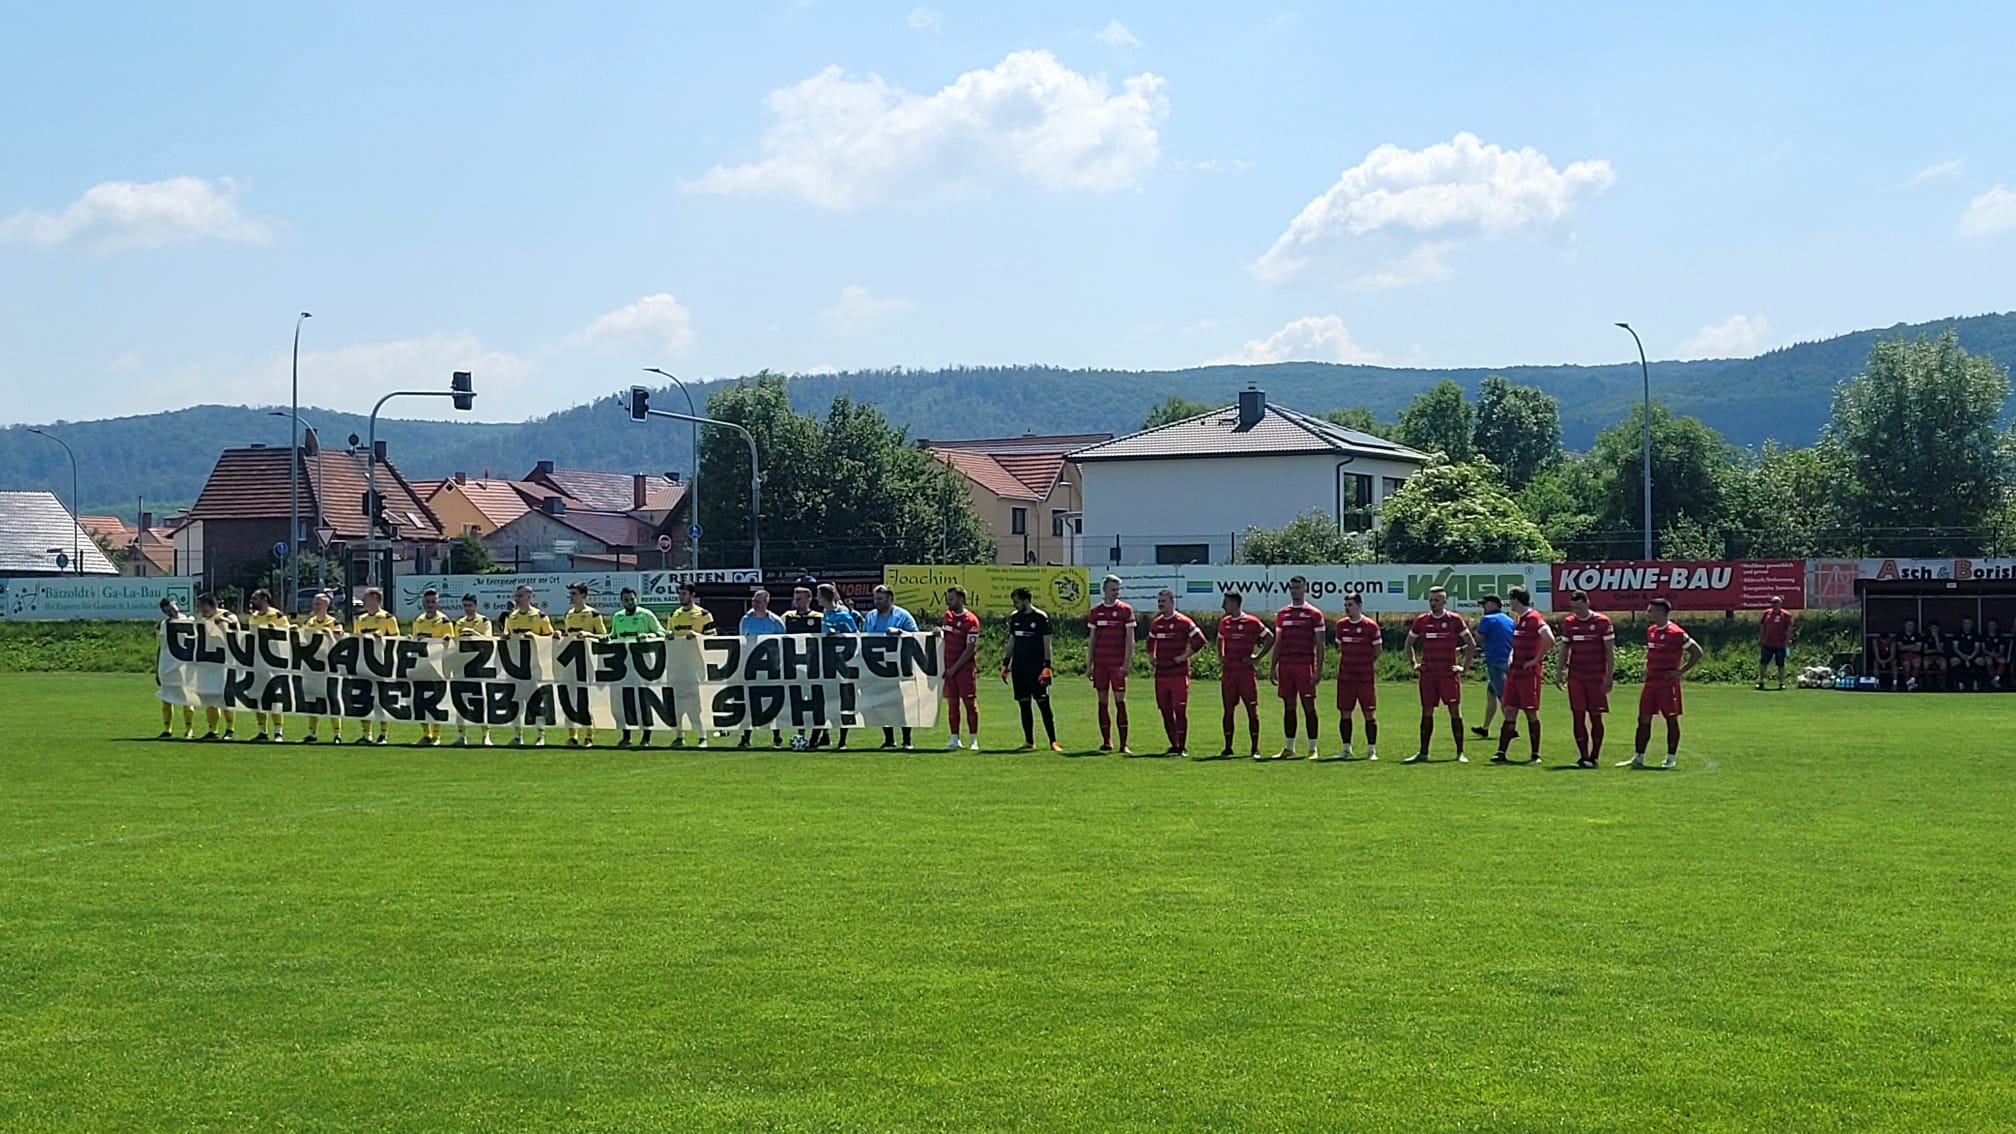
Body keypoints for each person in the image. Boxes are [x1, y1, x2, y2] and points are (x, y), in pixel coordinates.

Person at [1627, 597, 1704, 769]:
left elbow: (1697, 652)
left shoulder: (1676, 633)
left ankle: (1670, 758)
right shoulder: (1651, 630)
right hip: (1650, 682)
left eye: (1650, 611)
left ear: (1661, 613)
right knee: (1643, 718)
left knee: (1671, 719)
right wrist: (1646, 664)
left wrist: (1681, 671)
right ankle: (1638, 757)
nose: (1647, 613)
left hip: (1667, 684)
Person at [1402, 586, 1475, 764]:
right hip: (1428, 675)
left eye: (1437, 600)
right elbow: (1408, 644)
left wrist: (1463, 668)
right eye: (1431, 600)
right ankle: (1423, 752)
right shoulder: (1422, 620)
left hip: (1448, 674)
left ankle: (1460, 753)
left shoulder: (1454, 620)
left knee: (1454, 711)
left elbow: (1471, 644)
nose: (1433, 603)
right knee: (1427, 711)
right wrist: (1414, 664)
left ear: (1444, 602)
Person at [1492, 586, 1555, 765]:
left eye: (1510, 599)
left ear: (1516, 599)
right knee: (1510, 710)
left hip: (1528, 674)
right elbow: (1516, 643)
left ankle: (1535, 754)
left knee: (1530, 712)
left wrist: (1536, 660)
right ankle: (1501, 752)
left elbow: (1549, 638)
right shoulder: (1519, 620)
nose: (1509, 603)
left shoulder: (1534, 617)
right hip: (1515, 672)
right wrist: (1512, 655)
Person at [1556, 590, 1616, 769]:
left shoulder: (1602, 622)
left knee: (1596, 716)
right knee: (1578, 715)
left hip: (1596, 676)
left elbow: (1609, 651)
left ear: (1587, 603)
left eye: (1580, 607)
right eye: (1574, 608)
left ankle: (1594, 755)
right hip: (1576, 676)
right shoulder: (1569, 622)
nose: (1577, 611)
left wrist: (1609, 676)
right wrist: (1559, 671)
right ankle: (1583, 756)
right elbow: (1564, 648)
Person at [1269, 575, 1326, 760]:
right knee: (1289, 706)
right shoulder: (1283, 614)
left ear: (1305, 589)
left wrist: (1318, 669)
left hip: (1305, 665)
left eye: (1298, 588)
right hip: (1286, 665)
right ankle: (1289, 747)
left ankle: (1312, 748)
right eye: (1292, 588)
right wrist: (1273, 666)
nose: (1295, 591)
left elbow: (1320, 644)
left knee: (1309, 706)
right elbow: (1278, 642)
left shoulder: (1314, 614)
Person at [1212, 591, 1274, 759]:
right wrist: (1220, 655)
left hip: (1246, 673)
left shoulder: (1252, 622)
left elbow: (1270, 637)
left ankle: (1255, 748)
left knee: (1251, 710)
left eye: (1226, 602)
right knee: (1228, 710)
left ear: (1234, 603)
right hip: (1229, 673)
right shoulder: (1224, 622)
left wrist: (1258, 658)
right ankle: (1228, 747)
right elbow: (1219, 639)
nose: (1223, 606)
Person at [1146, 589, 1206, 757]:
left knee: (1179, 710)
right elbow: (1150, 641)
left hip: (1178, 673)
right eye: (1159, 602)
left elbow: (1200, 639)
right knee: (1165, 710)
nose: (1160, 604)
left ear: (1172, 602)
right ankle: (1173, 744)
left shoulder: (1183, 621)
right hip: (1161, 674)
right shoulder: (1157, 623)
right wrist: (1151, 656)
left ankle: (1182, 746)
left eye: (1163, 601)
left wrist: (1185, 656)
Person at [1001, 586, 1060, 752]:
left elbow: (1047, 643)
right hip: (1019, 668)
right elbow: (1012, 641)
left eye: (1017, 602)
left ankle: (1053, 741)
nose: (1015, 605)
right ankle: (1029, 741)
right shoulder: (1015, 618)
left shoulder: (1040, 618)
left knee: (1044, 705)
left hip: (1036, 668)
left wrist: (1047, 666)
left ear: (1026, 600)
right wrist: (1006, 663)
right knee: (1024, 705)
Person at [862, 584, 919, 749]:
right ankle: (889, 739)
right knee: (881, 704)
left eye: (880, 599)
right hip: (878, 668)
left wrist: (900, 632)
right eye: (875, 599)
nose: (877, 602)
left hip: (899, 667)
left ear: (890, 599)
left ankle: (907, 739)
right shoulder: (871, 616)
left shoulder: (903, 616)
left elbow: (917, 637)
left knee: (901, 704)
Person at [609, 586, 666, 748]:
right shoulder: (617, 617)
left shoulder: (646, 615)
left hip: (644, 667)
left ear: (637, 599)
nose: (629, 602)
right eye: (626, 600)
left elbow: (662, 633)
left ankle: (646, 736)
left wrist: (648, 636)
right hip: (624, 668)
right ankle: (626, 736)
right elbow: (614, 636)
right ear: (622, 601)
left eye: (632, 599)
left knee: (644, 701)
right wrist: (607, 639)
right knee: (625, 701)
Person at [1086, 574, 1136, 754]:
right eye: (1113, 589)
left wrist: (1126, 663)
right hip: (1101, 663)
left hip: (1117, 664)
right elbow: (1092, 640)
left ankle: (1124, 744)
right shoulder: (1096, 611)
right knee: (1102, 701)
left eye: (1118, 589)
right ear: (1105, 590)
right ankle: (1107, 742)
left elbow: (1130, 640)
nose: (1116, 593)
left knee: (1120, 701)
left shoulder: (1125, 610)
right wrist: (1089, 664)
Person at [501, 584, 556, 746]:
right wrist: (505, 637)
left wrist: (535, 637)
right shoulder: (512, 617)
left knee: (536, 702)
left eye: (520, 596)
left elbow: (552, 638)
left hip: (535, 666)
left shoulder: (540, 616)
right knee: (516, 701)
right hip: (515, 666)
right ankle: (518, 735)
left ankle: (540, 735)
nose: (516, 599)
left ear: (529, 597)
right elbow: (507, 634)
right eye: (516, 596)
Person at [665, 582, 717, 747]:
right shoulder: (674, 615)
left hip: (695, 666)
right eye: (680, 594)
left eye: (684, 594)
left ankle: (702, 737)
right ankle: (679, 736)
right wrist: (669, 636)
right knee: (677, 703)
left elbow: (713, 638)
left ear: (692, 595)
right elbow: (670, 633)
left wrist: (697, 636)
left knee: (697, 704)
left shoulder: (703, 614)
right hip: (678, 666)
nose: (681, 597)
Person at [1330, 593, 1381, 762]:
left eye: (1350, 605)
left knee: (1369, 713)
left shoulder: (1370, 626)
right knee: (1345, 712)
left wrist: (1364, 664)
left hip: (1365, 677)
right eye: (1345, 605)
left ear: (1359, 605)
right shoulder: (1341, 626)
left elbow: (1377, 651)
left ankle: (1371, 750)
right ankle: (1346, 749)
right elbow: (1340, 648)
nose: (1347, 608)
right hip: (1346, 677)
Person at [739, 589, 789, 749]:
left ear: (766, 603)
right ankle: (745, 737)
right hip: (751, 668)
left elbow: (784, 644)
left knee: (773, 702)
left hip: (771, 668)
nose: (754, 604)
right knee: (750, 703)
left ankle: (777, 737)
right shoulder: (745, 620)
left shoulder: (775, 621)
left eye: (758, 601)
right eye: (753, 601)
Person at [351, 587, 401, 745]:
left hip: (382, 665)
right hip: (364, 665)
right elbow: (356, 640)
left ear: (374, 599)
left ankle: (383, 735)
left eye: (366, 598)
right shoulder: (360, 619)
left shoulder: (388, 618)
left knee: (382, 701)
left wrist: (383, 638)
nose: (363, 601)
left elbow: (397, 640)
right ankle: (366, 734)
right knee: (364, 700)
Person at [560, 582, 608, 747]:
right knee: (570, 699)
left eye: (574, 593)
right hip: (570, 663)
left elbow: (604, 636)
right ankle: (572, 736)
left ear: (583, 596)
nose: (571, 597)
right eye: (570, 593)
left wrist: (588, 635)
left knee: (586, 701)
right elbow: (568, 636)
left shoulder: (593, 614)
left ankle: (589, 736)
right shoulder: (568, 615)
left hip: (587, 663)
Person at [410, 588, 458, 746]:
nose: (430, 605)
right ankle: (426, 734)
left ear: (438, 603)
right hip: (421, 666)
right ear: (423, 603)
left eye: (433, 602)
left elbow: (449, 643)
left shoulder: (444, 621)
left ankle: (437, 736)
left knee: (437, 702)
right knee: (419, 701)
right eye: (428, 602)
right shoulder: (418, 621)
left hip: (438, 668)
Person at [243, 588, 291, 743]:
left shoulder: (277, 615)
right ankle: (262, 731)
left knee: (275, 697)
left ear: (264, 599)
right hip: (257, 662)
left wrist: (274, 632)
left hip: (274, 662)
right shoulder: (254, 617)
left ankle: (278, 731)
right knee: (257, 697)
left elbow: (289, 635)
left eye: (255, 598)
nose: (252, 601)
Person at [781, 586, 826, 749]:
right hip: (795, 668)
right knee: (798, 702)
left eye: (800, 598)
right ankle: (801, 734)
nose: (797, 601)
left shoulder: (819, 617)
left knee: (817, 702)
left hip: (816, 668)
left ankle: (819, 735)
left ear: (809, 599)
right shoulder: (787, 617)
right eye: (795, 598)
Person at [191, 592, 240, 741]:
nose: (199, 609)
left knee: (225, 696)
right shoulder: (202, 620)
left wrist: (223, 621)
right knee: (209, 696)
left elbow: (237, 628)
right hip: (208, 663)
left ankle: (230, 729)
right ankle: (213, 730)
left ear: (209, 604)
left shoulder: (227, 614)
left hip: (225, 662)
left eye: (201, 605)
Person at [940, 586, 983, 750]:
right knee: (952, 704)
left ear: (961, 599)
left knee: (970, 704)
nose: (948, 601)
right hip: (949, 668)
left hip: (964, 669)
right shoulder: (947, 616)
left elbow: (970, 648)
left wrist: (955, 668)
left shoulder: (971, 621)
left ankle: (973, 739)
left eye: (951, 598)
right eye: (948, 598)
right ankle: (954, 738)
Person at [1470, 594, 1517, 743]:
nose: (1483, 607)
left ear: (1494, 604)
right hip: (1508, 660)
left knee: (1503, 696)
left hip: (1495, 662)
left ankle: (1511, 728)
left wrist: (1468, 647)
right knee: (1491, 693)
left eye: (1485, 604)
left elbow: (1478, 640)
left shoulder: (1487, 620)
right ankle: (1485, 728)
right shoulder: (1510, 620)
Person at [817, 583, 859, 749]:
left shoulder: (843, 615)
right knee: (826, 701)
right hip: (827, 664)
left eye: (818, 595)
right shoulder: (824, 613)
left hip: (843, 664)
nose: (816, 598)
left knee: (844, 701)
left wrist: (838, 634)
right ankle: (825, 734)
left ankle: (843, 740)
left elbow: (855, 635)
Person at [452, 593, 493, 746]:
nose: (467, 609)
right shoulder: (459, 623)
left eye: (470, 605)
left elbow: (489, 640)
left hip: (480, 667)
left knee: (482, 702)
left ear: (475, 606)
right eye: (465, 606)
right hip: (462, 667)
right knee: (461, 702)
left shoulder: (484, 621)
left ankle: (486, 735)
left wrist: (472, 633)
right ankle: (462, 735)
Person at [156, 597, 194, 740]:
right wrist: (157, 669)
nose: (171, 612)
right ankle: (167, 729)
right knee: (167, 698)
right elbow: (161, 647)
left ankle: (189, 729)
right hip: (167, 664)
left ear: (176, 605)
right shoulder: (164, 625)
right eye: (167, 610)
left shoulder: (189, 621)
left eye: (172, 608)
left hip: (185, 665)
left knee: (187, 697)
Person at [1758, 596, 1794, 690]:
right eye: (1773, 603)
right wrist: (1761, 638)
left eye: (1776, 603)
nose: (1774, 605)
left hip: (1780, 644)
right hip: (1767, 642)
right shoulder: (1767, 613)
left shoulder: (1786, 615)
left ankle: (1781, 683)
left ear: (1780, 604)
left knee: (1781, 664)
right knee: (1763, 663)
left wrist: (1787, 642)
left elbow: (1789, 629)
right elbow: (1762, 626)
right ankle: (1761, 681)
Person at [1951, 617, 1984, 692]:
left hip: (1973, 655)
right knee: (1954, 661)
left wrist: (1970, 657)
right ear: (1962, 624)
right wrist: (1962, 656)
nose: (1967, 625)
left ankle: (1975, 682)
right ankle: (1960, 682)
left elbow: (1977, 648)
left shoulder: (1975, 635)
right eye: (1965, 623)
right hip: (1960, 655)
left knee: (1980, 661)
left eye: (1968, 623)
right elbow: (1955, 647)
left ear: (1972, 624)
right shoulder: (1958, 634)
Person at [1897, 618, 1925, 691]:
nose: (1910, 626)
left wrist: (1906, 647)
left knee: (1917, 662)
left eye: (1912, 625)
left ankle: (1912, 680)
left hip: (1915, 655)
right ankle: (1908, 683)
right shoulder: (1900, 635)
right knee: (1907, 665)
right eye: (1909, 625)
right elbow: (1900, 648)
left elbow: (1918, 648)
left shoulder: (1917, 635)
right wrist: (1912, 645)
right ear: (1905, 625)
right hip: (1904, 655)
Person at [1923, 621, 1950, 691]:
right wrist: (1935, 650)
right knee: (1925, 664)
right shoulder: (1926, 637)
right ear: (1930, 628)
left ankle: (1940, 684)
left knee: (1943, 664)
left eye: (1935, 628)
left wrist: (1936, 638)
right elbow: (1925, 651)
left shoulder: (1942, 637)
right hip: (1928, 656)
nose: (1934, 629)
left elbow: (1940, 650)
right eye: (1932, 628)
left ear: (1938, 628)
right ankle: (1929, 684)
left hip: (1940, 656)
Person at [1985, 620, 2009, 691]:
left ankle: (1996, 679)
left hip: (1998, 655)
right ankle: (1993, 680)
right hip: (1987, 655)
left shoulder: (2000, 637)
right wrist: (1990, 654)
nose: (1991, 627)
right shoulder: (1984, 636)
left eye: (1993, 625)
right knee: (1989, 661)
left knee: (2003, 661)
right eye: (1990, 625)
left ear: (1996, 626)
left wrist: (1996, 655)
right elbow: (1983, 649)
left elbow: (2002, 650)